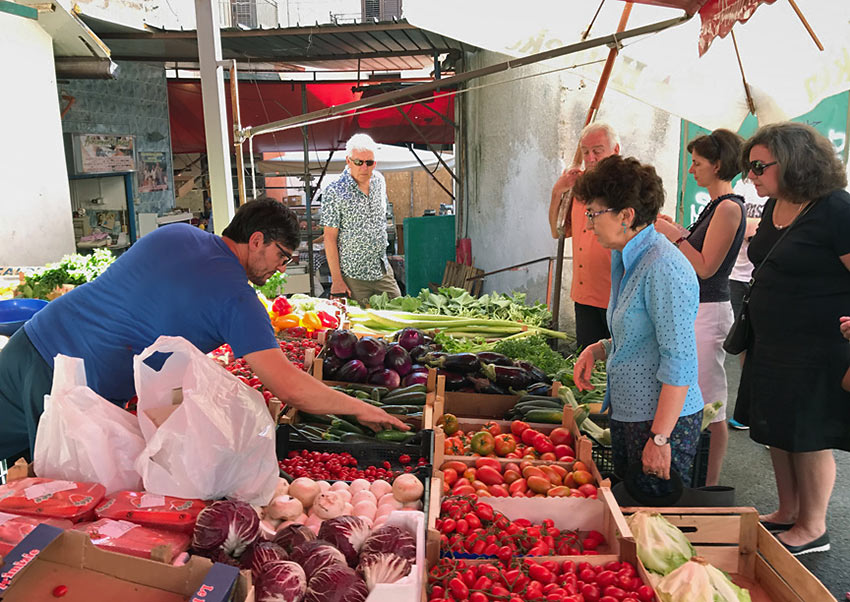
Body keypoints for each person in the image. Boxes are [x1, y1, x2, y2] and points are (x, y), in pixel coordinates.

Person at [0, 199, 407, 462]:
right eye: (280, 257)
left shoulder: (177, 233)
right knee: (49, 490)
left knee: (12, 462)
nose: (280, 269)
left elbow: (150, 314)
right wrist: (362, 408)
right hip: (62, 382)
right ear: (257, 239)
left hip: (30, 342)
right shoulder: (235, 298)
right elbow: (290, 388)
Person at [733, 122, 850, 556]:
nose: (752, 175)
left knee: (809, 434)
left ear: (795, 161)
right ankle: (787, 511)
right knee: (775, 429)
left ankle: (814, 527)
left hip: (817, 346)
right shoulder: (777, 205)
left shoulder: (836, 209)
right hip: (770, 343)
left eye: (759, 166)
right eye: (750, 167)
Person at [572, 155, 703, 490]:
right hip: (633, 415)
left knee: (654, 525)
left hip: (659, 423)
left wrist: (660, 440)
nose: (588, 225)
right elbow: (642, 334)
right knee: (631, 516)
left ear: (626, 216)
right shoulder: (627, 256)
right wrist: (600, 348)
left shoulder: (662, 266)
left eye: (594, 214)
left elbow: (680, 361)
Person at [654, 129, 745, 487]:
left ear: (718, 165)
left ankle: (708, 485)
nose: (692, 170)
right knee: (695, 395)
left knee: (711, 402)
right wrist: (677, 229)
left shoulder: (728, 207)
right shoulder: (715, 205)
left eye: (697, 163)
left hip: (709, 313)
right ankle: (697, 477)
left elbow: (706, 266)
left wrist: (672, 234)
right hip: (699, 310)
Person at [548, 123, 620, 349]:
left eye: (597, 151)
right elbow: (557, 230)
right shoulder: (577, 187)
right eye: (586, 151)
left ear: (615, 150)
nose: (590, 158)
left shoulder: (627, 185)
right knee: (587, 360)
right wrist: (558, 191)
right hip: (584, 293)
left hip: (616, 295)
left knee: (616, 362)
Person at [321, 133, 400, 306]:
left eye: (369, 162)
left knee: (400, 312)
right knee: (360, 327)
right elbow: (329, 238)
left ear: (375, 163)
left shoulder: (379, 181)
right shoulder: (334, 191)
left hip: (382, 270)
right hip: (353, 276)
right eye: (358, 162)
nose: (364, 167)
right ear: (348, 161)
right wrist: (337, 280)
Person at [726, 180, 768, 430]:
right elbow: (736, 228)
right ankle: (749, 408)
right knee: (743, 343)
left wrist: (753, 228)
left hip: (761, 278)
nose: (754, 173)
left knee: (761, 346)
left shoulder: (778, 193)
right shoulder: (741, 187)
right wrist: (752, 228)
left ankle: (764, 414)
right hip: (736, 276)